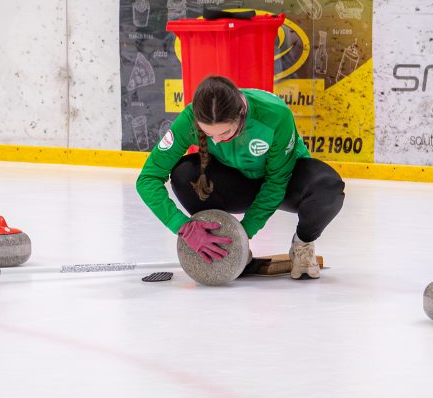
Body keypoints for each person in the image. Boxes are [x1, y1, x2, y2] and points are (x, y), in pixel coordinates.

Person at [136, 75, 345, 279]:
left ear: (241, 113)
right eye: (208, 134)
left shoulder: (275, 115)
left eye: (225, 133)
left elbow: (276, 183)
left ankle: (302, 245)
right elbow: (148, 178)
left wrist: (244, 234)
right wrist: (183, 226)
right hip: (238, 181)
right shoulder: (190, 119)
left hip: (284, 179)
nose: (216, 140)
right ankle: (219, 238)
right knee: (184, 174)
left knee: (328, 187)